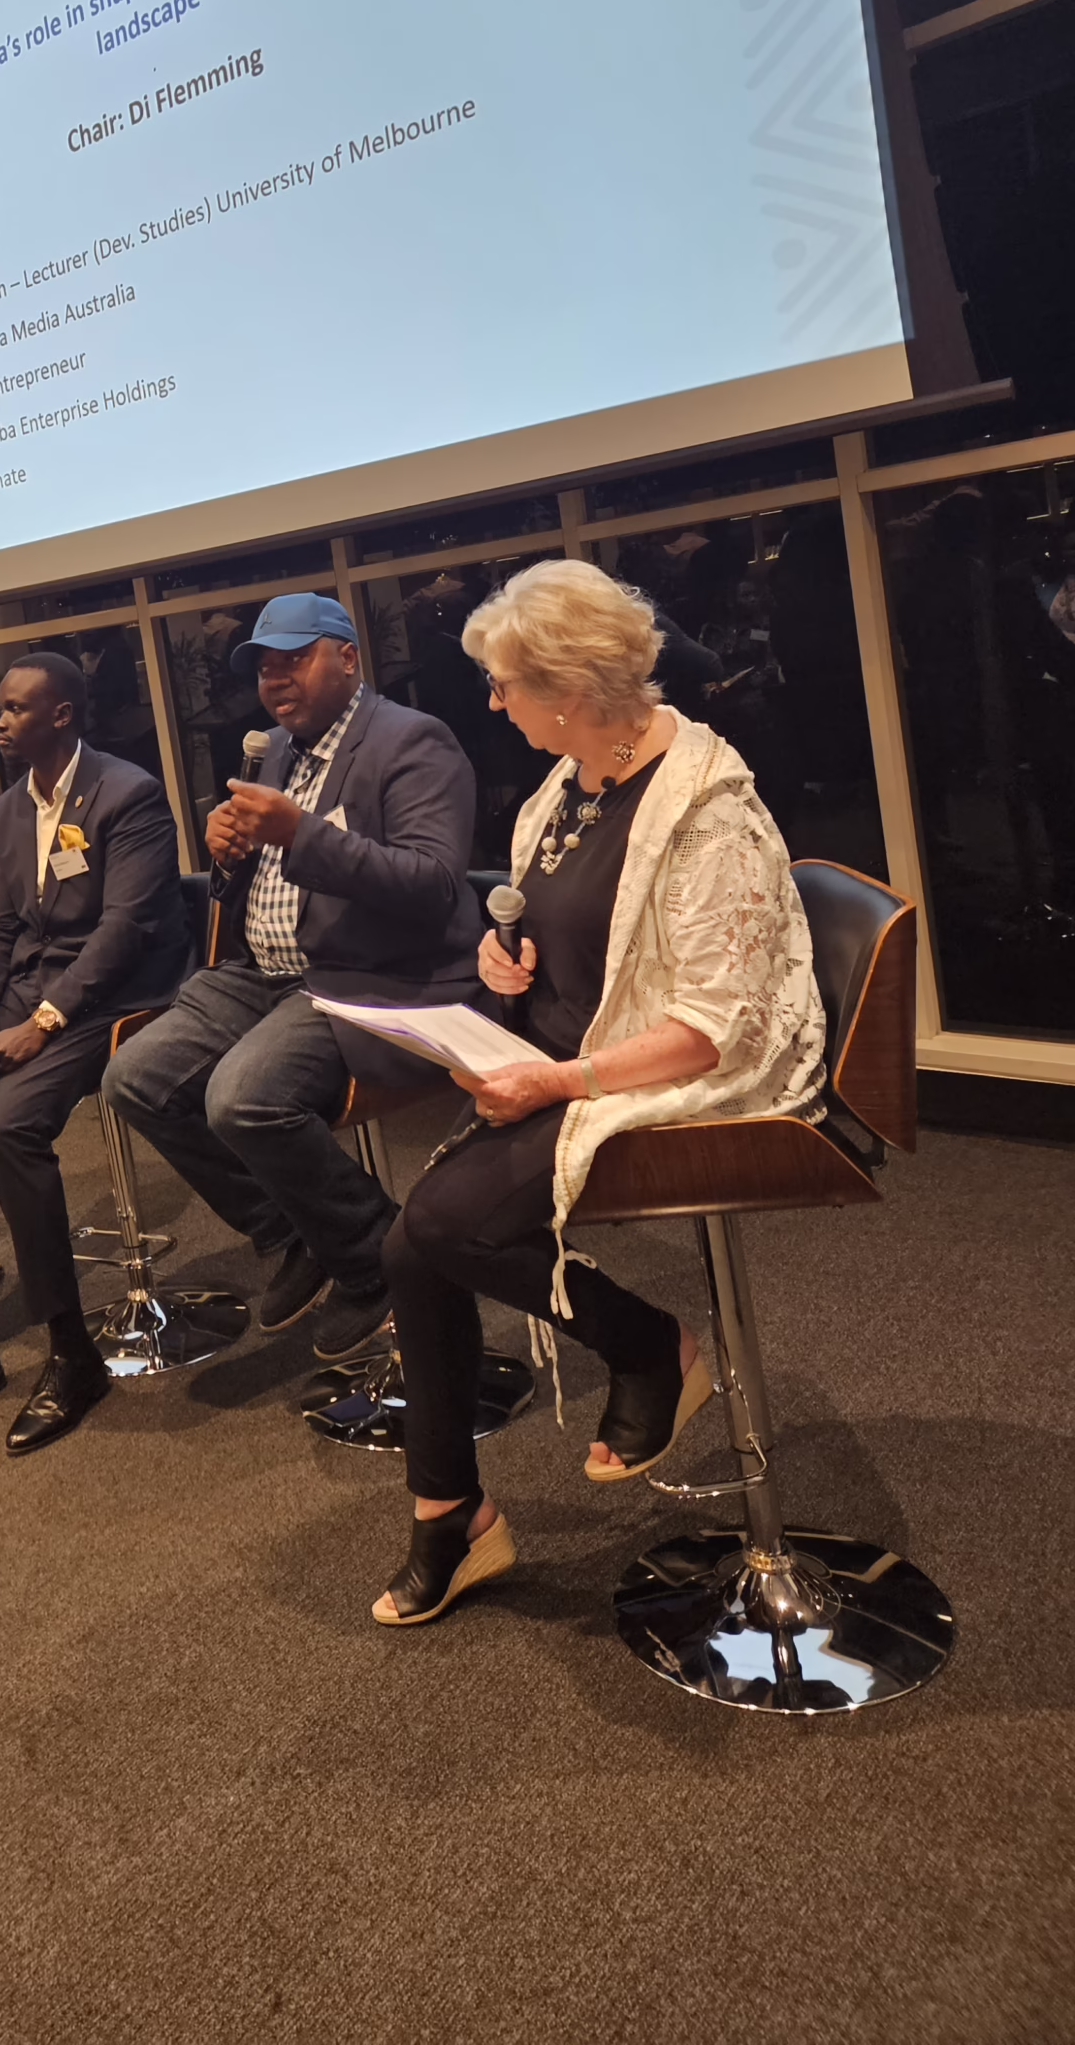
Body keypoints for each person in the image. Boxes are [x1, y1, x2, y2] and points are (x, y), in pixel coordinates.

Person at [369, 560, 825, 1628]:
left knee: (441, 1224)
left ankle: (651, 1345)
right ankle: (451, 1515)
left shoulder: (706, 809)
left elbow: (713, 1027)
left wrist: (558, 1077)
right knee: (410, 1247)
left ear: (569, 691)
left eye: (502, 685)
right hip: (569, 1056)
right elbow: (567, 931)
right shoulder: (571, 782)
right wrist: (505, 963)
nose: (493, 704)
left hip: (675, 1073)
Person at [104, 593, 482, 1363]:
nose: (276, 679)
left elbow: (434, 883)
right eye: (264, 667)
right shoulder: (272, 751)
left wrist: (299, 832)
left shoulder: (412, 740)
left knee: (241, 1098)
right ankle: (294, 1232)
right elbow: (256, 883)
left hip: (367, 973)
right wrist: (227, 855)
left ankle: (377, 1257)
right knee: (134, 1079)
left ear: (347, 657)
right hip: (264, 972)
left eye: (295, 659)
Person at [0, 651, 184, 1454]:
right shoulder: (10, 808)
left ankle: (71, 1353)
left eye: (16, 709)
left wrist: (43, 1022)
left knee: (7, 1128)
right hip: (19, 989)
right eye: (0, 708)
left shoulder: (129, 794)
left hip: (105, 998)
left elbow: (124, 931)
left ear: (62, 715)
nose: (0, 721)